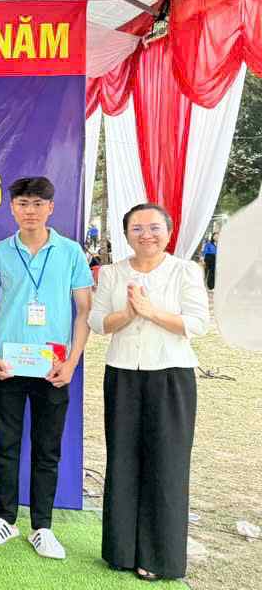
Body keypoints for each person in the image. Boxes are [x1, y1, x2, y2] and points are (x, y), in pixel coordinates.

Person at [89, 203, 208, 582]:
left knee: (167, 463)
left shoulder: (185, 271)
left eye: (154, 227)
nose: (146, 235)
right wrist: (128, 312)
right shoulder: (112, 273)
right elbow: (98, 322)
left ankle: (160, 557)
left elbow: (197, 324)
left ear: (168, 232)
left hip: (171, 376)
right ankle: (120, 551)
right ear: (126, 234)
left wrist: (150, 311)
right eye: (137, 228)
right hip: (123, 373)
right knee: (123, 458)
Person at [0, 176, 92, 559]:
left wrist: (71, 363)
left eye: (37, 204)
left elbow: (83, 313)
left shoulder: (71, 252)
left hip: (52, 369)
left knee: (47, 449)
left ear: (51, 208)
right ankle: (5, 518)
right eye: (23, 204)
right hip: (7, 366)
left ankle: (42, 526)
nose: (30, 211)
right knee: (4, 445)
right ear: (12, 208)